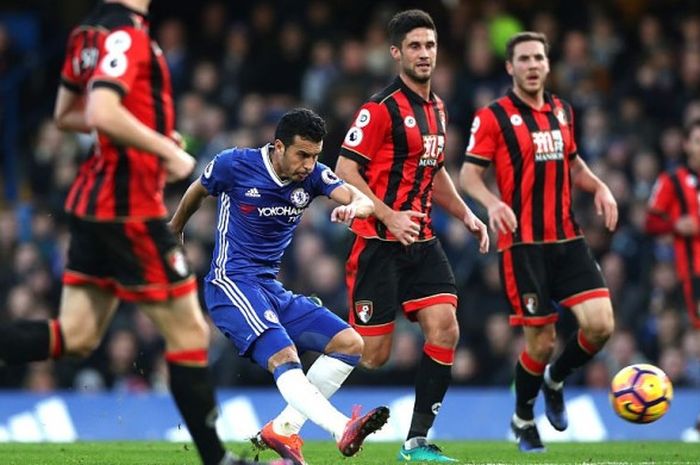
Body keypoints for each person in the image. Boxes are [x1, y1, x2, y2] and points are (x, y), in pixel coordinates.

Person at [0, 2, 290, 465]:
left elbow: (66, 113)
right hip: (128, 209)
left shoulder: (88, 32)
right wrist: (166, 151)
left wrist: (151, 135)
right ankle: (218, 459)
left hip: (90, 204)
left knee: (76, 334)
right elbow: (100, 108)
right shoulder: (127, 35)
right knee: (190, 330)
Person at [169, 108, 389, 465]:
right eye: (302, 155)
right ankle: (340, 428)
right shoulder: (235, 165)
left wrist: (356, 209)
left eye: (315, 156)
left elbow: (359, 197)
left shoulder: (315, 176)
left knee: (350, 344)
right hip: (231, 283)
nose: (308, 164)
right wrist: (176, 226)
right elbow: (199, 189)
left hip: (269, 288)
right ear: (278, 147)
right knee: (285, 355)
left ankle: (284, 428)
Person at [335, 9, 489, 463]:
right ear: (396, 53)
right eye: (416, 46)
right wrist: (387, 215)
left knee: (445, 328)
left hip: (421, 242)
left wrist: (465, 213)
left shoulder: (437, 108)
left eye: (431, 45)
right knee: (373, 355)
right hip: (377, 244)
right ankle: (300, 373)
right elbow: (345, 169)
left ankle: (417, 441)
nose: (425, 54)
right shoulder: (379, 109)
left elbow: (434, 171)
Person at [459, 31, 617, 452]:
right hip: (522, 246)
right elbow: (468, 175)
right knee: (542, 342)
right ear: (510, 67)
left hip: (567, 238)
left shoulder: (563, 111)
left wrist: (598, 186)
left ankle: (556, 379)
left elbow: (573, 162)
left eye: (538, 58)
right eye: (523, 58)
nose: (532, 65)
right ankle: (523, 418)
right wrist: (491, 203)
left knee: (601, 326)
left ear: (548, 65)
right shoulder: (492, 117)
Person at [645, 118, 700, 439]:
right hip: (694, 275)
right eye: (698, 139)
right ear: (687, 145)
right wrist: (676, 226)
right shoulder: (674, 181)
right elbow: (651, 221)